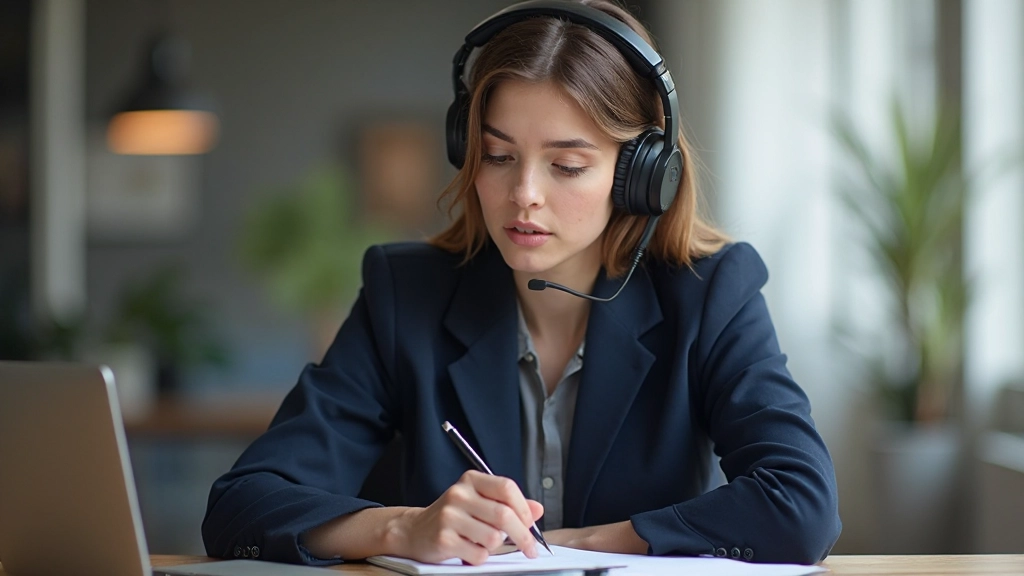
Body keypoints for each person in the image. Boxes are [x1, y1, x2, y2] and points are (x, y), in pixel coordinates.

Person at [202, 0, 842, 567]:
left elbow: (803, 505)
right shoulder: (407, 294)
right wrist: (401, 527)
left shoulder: (712, 293)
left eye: (566, 165)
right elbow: (242, 505)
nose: (523, 196)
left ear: (640, 175)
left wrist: (593, 542)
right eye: (498, 157)